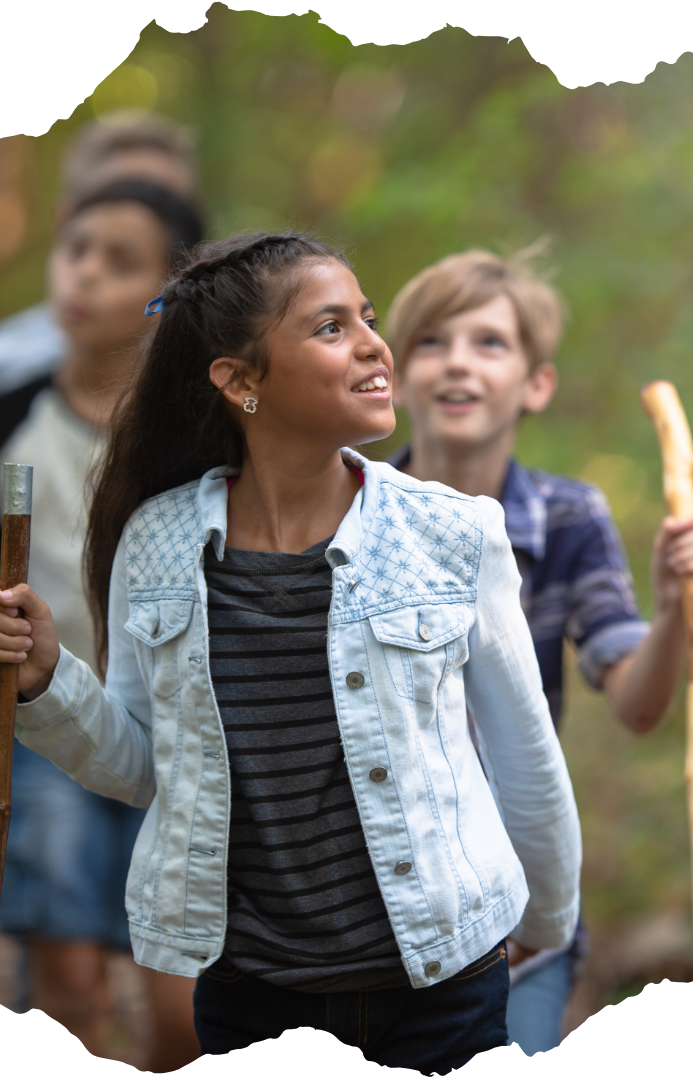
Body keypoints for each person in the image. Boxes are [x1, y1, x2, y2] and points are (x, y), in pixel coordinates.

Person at [0, 232, 581, 1074]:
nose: (376, 345)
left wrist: (547, 929)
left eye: (369, 319)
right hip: (254, 994)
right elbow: (142, 764)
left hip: (442, 982)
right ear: (240, 381)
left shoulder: (454, 534)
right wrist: (48, 683)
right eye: (332, 328)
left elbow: (527, 756)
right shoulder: (159, 544)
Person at [383, 249, 693, 1054]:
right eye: (432, 342)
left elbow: (638, 704)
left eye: (490, 343)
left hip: (519, 916)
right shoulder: (348, 510)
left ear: (536, 384)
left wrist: (675, 608)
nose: (459, 362)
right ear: (395, 379)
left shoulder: (570, 518)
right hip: (376, 912)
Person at [0, 178, 204, 1069]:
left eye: (120, 262)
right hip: (42, 732)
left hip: (181, 732)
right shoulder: (13, 415)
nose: (83, 274)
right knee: (68, 985)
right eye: (76, 248)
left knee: (181, 1005)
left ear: (171, 296)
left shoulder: (200, 436)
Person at [0, 110, 198, 395]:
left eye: (161, 204)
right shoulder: (11, 373)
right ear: (66, 220)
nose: (135, 213)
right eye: (116, 194)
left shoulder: (215, 393)